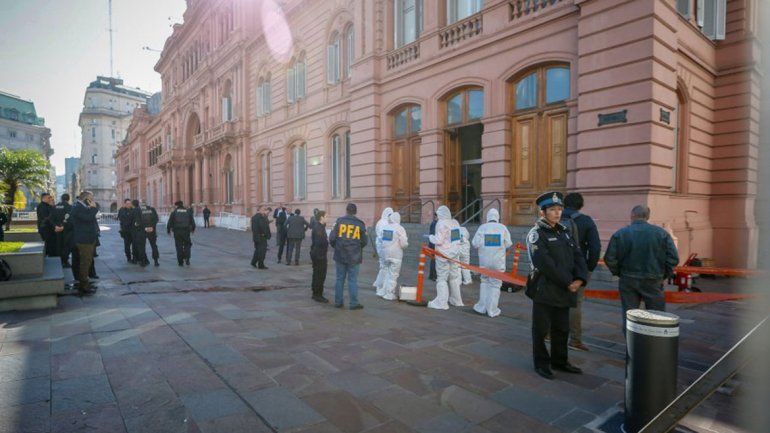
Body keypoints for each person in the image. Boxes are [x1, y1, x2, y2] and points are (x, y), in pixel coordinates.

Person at [526, 191, 588, 380]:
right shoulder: (537, 234)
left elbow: (578, 256)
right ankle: (542, 363)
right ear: (543, 212)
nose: (557, 213)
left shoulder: (564, 231)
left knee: (562, 328)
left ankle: (560, 361)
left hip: (565, 289)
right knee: (541, 329)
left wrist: (580, 279)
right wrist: (569, 282)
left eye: (559, 209)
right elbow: (545, 264)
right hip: (545, 289)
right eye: (552, 209)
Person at [604, 205, 679, 331]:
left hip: (628, 279)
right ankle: (655, 346)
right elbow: (673, 258)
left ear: (632, 216)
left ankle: (632, 347)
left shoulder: (621, 233)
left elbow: (609, 258)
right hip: (653, 279)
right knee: (657, 317)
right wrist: (663, 274)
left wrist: (619, 272)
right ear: (648, 217)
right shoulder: (661, 233)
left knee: (630, 317)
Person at [561, 192, 602, 351]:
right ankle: (575, 340)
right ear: (581, 205)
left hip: (557, 266)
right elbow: (595, 247)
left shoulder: (553, 218)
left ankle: (549, 333)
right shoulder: (586, 221)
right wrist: (588, 268)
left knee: (554, 298)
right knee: (575, 302)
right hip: (578, 267)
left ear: (564, 204)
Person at [471, 208, 512, 318]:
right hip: (498, 262)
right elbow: (508, 244)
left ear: (488, 217)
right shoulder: (503, 228)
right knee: (495, 284)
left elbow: (475, 243)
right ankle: (492, 310)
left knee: (484, 282)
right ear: (497, 217)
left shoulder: (482, 227)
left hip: (484, 261)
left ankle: (482, 307)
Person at [329, 203, 368, 309]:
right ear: (355, 212)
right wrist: (357, 248)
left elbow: (332, 238)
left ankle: (338, 302)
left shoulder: (339, 221)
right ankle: (353, 303)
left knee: (339, 279)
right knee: (353, 280)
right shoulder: (360, 224)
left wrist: (336, 247)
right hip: (354, 256)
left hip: (340, 254)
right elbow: (365, 241)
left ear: (346, 211)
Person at [427, 205, 464, 310]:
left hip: (442, 254)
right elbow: (457, 238)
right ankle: (456, 300)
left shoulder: (441, 223)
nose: (437, 217)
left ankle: (441, 303)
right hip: (454, 254)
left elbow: (439, 240)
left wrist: (431, 237)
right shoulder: (455, 223)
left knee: (442, 278)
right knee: (454, 277)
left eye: (438, 214)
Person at [70, 191, 99, 294]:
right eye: (91, 198)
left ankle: (85, 283)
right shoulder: (77, 207)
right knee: (85, 262)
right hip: (84, 239)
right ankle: (84, 286)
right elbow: (87, 218)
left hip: (87, 238)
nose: (92, 200)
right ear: (86, 198)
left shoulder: (81, 206)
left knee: (87, 261)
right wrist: (94, 208)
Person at [380, 211, 408, 301]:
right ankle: (389, 294)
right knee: (393, 275)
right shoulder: (400, 228)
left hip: (385, 254)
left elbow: (381, 240)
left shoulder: (385, 227)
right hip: (396, 255)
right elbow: (403, 244)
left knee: (387, 273)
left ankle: (383, 291)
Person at [167, 200, 196, 266]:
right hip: (186, 231)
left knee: (178, 246)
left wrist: (168, 230)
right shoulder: (188, 211)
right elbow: (192, 221)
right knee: (187, 244)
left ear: (177, 205)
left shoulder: (174, 212)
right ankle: (187, 259)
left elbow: (170, 222)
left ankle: (180, 262)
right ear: (182, 204)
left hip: (177, 232)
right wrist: (193, 229)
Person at [310, 210, 329, 303]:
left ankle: (315, 292)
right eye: (326, 216)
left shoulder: (320, 227)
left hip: (317, 254)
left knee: (317, 274)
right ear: (321, 217)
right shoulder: (318, 228)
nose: (327, 218)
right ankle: (318, 294)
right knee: (320, 275)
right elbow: (319, 242)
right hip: (319, 255)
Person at [373, 207, 393, 295]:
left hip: (383, 246)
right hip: (383, 247)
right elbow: (383, 236)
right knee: (384, 267)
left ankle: (381, 285)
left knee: (384, 266)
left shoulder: (382, 222)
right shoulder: (383, 223)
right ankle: (379, 285)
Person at [50, 193, 74, 268]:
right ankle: (65, 261)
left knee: (59, 245)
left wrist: (56, 226)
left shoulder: (55, 207)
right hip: (67, 230)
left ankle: (60, 261)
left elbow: (51, 218)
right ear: (68, 199)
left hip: (57, 229)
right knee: (66, 246)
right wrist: (63, 226)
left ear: (61, 198)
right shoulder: (70, 207)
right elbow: (69, 218)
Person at [138, 201, 161, 266]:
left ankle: (143, 261)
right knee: (154, 245)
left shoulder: (139, 210)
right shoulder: (152, 209)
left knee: (142, 246)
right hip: (152, 230)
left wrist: (144, 227)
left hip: (142, 231)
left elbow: (138, 221)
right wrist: (152, 227)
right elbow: (156, 219)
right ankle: (156, 261)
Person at [130, 199, 149, 266]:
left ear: (133, 204)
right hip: (143, 231)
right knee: (142, 247)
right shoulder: (142, 210)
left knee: (138, 247)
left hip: (137, 231)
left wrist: (136, 224)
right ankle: (145, 260)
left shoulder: (135, 210)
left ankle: (142, 261)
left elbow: (135, 221)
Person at [428, 212, 438, 281]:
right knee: (434, 260)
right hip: (434, 244)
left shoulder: (434, 223)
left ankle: (432, 275)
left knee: (433, 260)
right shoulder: (435, 223)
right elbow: (433, 235)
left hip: (433, 244)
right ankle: (433, 275)